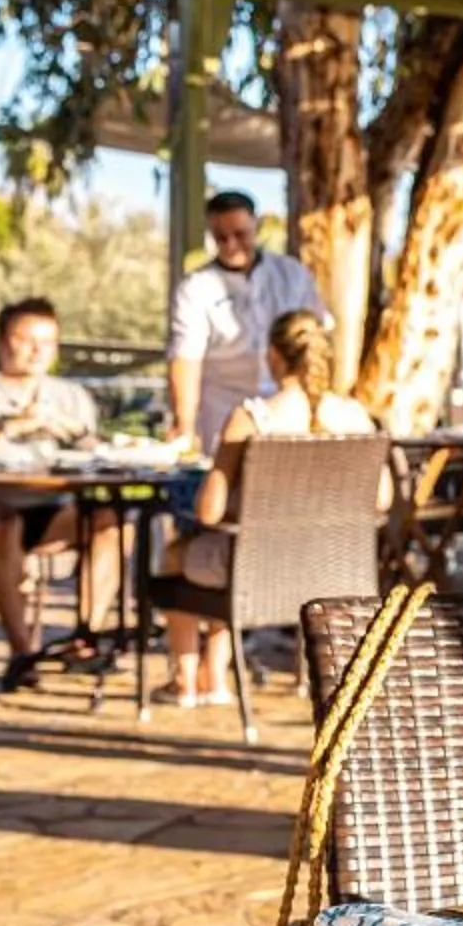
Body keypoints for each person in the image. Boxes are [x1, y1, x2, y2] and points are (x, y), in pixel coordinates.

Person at [158, 310, 381, 707]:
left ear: (273, 356)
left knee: (177, 556)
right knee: (218, 554)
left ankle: (188, 682)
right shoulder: (354, 416)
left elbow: (209, 511)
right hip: (335, 568)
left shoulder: (252, 418)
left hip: (258, 570)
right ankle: (214, 676)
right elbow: (380, 500)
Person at [0, 297, 118, 684]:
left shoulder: (71, 397)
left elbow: (99, 458)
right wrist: (2, 429)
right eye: (27, 339)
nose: (37, 351)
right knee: (2, 526)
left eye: (47, 342)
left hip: (51, 506)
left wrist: (80, 436)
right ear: (2, 342)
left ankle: (85, 638)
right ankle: (22, 652)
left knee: (110, 525)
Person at [166, 189, 328, 457]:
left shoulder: (292, 274)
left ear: (255, 225)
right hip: (223, 405)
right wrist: (184, 424)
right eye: (221, 238)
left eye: (240, 234)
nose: (231, 245)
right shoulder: (196, 287)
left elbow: (316, 336)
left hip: (285, 406)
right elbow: (186, 357)